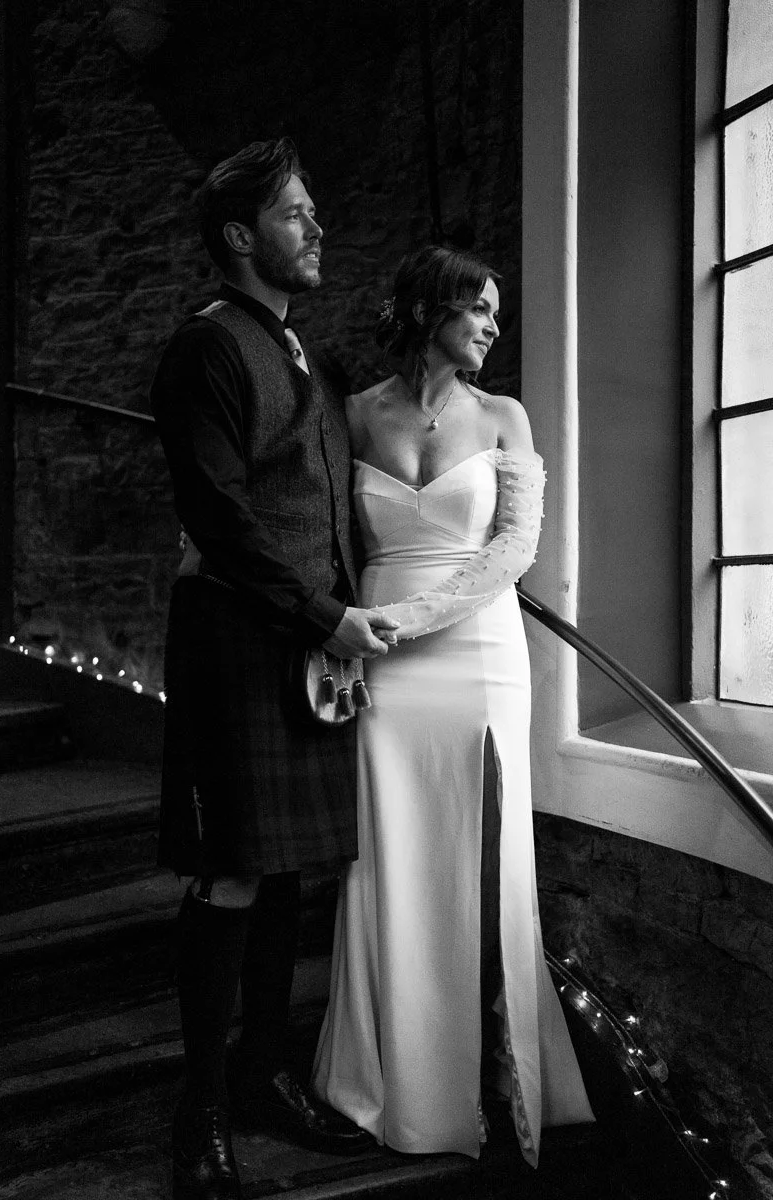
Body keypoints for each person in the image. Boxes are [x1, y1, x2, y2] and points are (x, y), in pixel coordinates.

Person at [151, 137, 399, 1200]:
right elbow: (217, 511)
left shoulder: (309, 356)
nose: (318, 228)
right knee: (234, 870)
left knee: (291, 872)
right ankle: (198, 1114)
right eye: (296, 214)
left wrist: (343, 618)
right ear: (239, 236)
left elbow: (331, 507)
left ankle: (263, 1078)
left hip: (309, 648)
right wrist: (319, 613)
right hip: (237, 641)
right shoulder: (202, 351)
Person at [311, 245, 595, 1166]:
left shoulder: (504, 416)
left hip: (475, 655)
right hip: (382, 669)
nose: (492, 327)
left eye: (498, 317)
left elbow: (513, 554)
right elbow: (322, 543)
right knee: (389, 857)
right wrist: (338, 633)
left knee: (490, 860)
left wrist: (393, 620)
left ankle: (501, 1079)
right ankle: (398, 1081)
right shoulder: (350, 418)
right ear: (431, 308)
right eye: (479, 309)